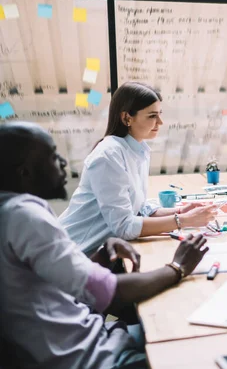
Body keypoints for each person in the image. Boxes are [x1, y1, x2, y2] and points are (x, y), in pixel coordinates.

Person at [0, 122, 208, 369]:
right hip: (92, 365)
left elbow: (48, 287)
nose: (63, 163)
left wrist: (97, 259)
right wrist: (177, 266)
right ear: (24, 172)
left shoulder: (8, 213)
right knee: (197, 346)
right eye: (52, 156)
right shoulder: (24, 216)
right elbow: (111, 293)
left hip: (74, 350)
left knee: (172, 326)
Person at [59, 82, 216, 255]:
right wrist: (183, 221)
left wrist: (180, 211)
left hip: (101, 252)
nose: (160, 122)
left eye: (160, 114)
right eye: (152, 116)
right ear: (127, 118)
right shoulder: (108, 156)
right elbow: (124, 226)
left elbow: (138, 208)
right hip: (76, 253)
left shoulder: (137, 149)